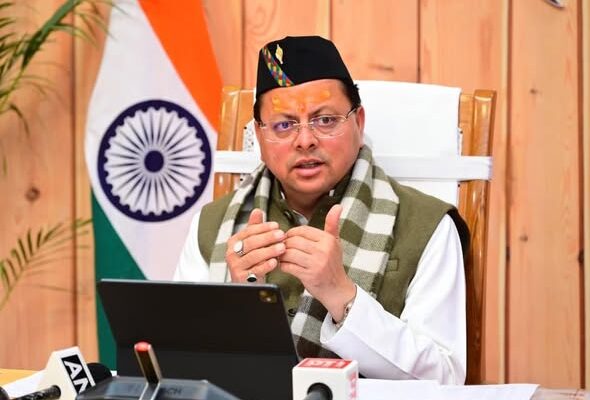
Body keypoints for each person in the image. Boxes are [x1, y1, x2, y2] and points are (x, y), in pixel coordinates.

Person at [174, 35, 469, 384]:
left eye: (325, 120)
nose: (305, 141)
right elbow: (177, 367)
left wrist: (341, 295)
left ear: (358, 121)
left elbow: (445, 378)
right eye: (284, 125)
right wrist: (240, 306)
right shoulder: (213, 226)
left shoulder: (427, 225)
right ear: (259, 136)